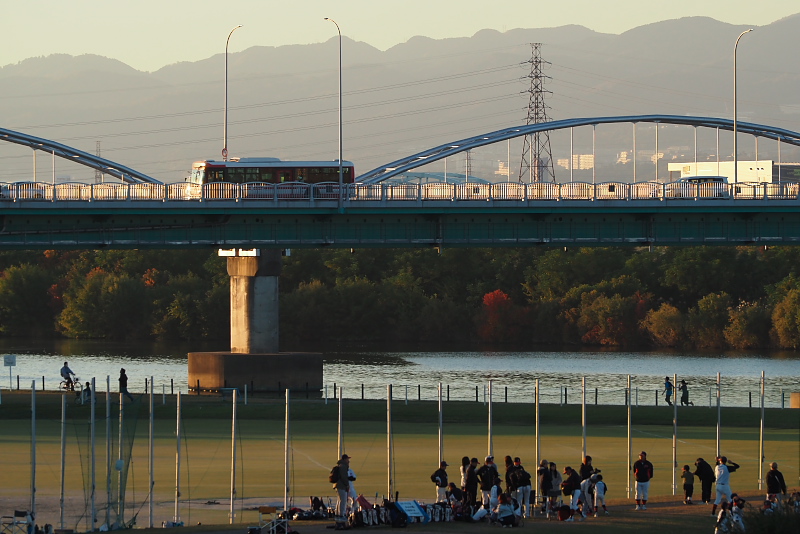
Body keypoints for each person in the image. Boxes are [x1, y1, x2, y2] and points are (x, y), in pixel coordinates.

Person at [332, 454, 350, 518]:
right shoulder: (343, 466)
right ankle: (341, 514)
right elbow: (344, 477)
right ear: (345, 459)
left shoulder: (340, 465)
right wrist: (347, 485)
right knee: (343, 500)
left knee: (339, 500)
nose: (348, 461)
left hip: (338, 485)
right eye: (347, 459)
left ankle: (337, 513)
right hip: (341, 486)